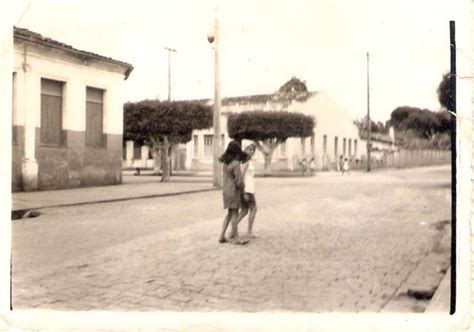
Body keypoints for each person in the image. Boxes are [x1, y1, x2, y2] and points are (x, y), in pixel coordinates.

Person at [218, 140, 249, 245]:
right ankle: (236, 238)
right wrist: (243, 192)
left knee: (229, 214)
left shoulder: (225, 163)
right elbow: (239, 180)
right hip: (233, 190)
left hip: (225, 190)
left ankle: (221, 235)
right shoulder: (235, 163)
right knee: (235, 214)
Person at [235, 144, 258, 238]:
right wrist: (243, 192)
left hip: (249, 188)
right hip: (246, 189)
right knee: (253, 209)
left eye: (253, 150)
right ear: (245, 150)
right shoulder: (245, 161)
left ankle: (232, 230)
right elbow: (241, 176)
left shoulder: (247, 160)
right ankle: (249, 231)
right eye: (250, 149)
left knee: (244, 210)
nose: (252, 151)